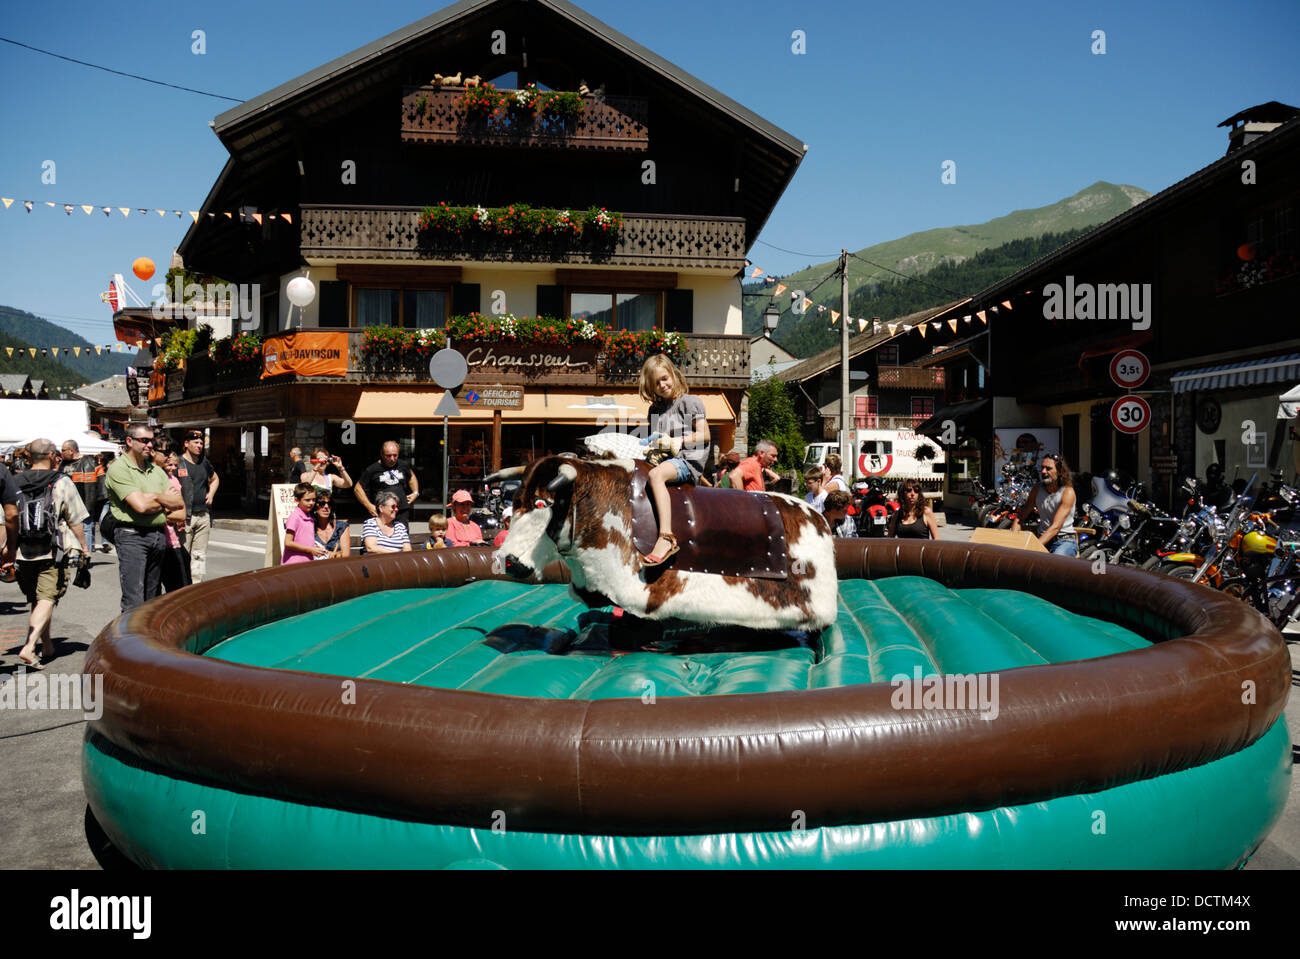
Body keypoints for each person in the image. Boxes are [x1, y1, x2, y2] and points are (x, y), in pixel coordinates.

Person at [12, 439, 89, 669]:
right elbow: (74, 519)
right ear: (53, 456)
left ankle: (46, 645)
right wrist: (84, 548)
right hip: (53, 550)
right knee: (47, 598)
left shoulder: (13, 482)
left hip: (21, 552)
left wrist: (5, 553)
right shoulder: (61, 481)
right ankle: (29, 646)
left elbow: (5, 519)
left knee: (37, 599)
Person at [638, 353, 710, 566]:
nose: (662, 385)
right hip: (665, 460)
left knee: (656, 475)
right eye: (657, 382)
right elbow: (658, 440)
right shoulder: (655, 410)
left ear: (673, 375)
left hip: (687, 460)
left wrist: (677, 442)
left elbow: (705, 435)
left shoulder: (689, 403)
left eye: (665, 378)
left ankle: (666, 537)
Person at [106, 423, 185, 612]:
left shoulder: (156, 470)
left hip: (158, 536)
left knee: (152, 600)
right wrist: (164, 502)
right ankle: (129, 640)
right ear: (129, 441)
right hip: (133, 536)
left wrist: (155, 497)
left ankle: (146, 639)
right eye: (144, 441)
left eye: (151, 441)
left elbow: (179, 505)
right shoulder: (119, 469)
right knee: (134, 600)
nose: (149, 445)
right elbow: (140, 506)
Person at [1011, 453, 1078, 556]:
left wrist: (1033, 547)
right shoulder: (1037, 489)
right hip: (1042, 538)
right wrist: (1014, 540)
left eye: (1048, 468)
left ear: (1060, 471)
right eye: (1042, 467)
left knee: (1053, 565)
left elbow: (1055, 527)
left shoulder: (1067, 492)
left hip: (1064, 541)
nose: (1043, 471)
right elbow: (1020, 517)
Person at [177, 429, 219, 583]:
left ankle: (196, 585)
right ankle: (182, 585)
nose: (199, 445)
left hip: (203, 516)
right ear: (186, 444)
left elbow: (215, 479)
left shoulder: (204, 462)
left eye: (201, 443)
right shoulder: (178, 463)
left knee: (199, 555)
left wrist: (211, 494)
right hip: (185, 517)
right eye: (196, 442)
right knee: (184, 554)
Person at [151, 437, 191, 592]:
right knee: (153, 595)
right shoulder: (145, 476)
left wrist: (153, 512)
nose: (168, 457)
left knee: (178, 592)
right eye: (165, 452)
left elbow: (181, 513)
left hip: (169, 542)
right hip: (152, 544)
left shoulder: (171, 480)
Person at [356, 441, 420, 529]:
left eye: (395, 455)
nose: (392, 458)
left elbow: (411, 476)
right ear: (382, 454)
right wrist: (369, 506)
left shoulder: (403, 465)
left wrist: (415, 493)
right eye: (388, 456)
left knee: (402, 538)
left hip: (401, 511)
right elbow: (358, 488)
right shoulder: (372, 469)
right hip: (382, 512)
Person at [60, 439, 104, 554]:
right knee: (69, 529)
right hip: (68, 503)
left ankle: (85, 556)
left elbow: (101, 484)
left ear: (71, 450)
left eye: (63, 450)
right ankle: (73, 555)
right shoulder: (63, 464)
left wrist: (97, 502)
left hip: (86, 502)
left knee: (86, 529)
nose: (61, 453)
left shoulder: (90, 462)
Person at [282, 484, 326, 564]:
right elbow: (288, 543)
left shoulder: (308, 516)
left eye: (313, 499)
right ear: (297, 500)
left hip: (305, 562)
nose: (311, 503)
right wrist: (310, 549)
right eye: (307, 500)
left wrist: (315, 549)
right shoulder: (295, 517)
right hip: (293, 563)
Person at [313, 493, 350, 559]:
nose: (326, 506)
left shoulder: (341, 527)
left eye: (329, 504)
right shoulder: (309, 527)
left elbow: (345, 555)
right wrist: (334, 554)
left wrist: (323, 553)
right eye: (322, 503)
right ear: (315, 506)